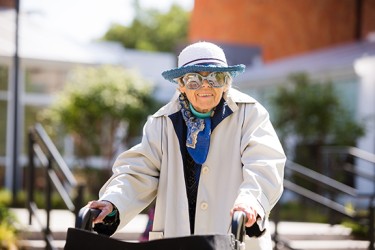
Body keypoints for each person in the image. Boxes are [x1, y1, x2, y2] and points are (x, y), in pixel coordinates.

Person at [88, 41, 286, 249]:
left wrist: (251, 200)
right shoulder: (162, 121)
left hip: (231, 235)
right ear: (180, 84)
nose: (205, 86)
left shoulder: (250, 113)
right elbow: (139, 171)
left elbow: (264, 163)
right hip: (177, 237)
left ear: (227, 82)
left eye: (215, 78)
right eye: (194, 80)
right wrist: (113, 202)